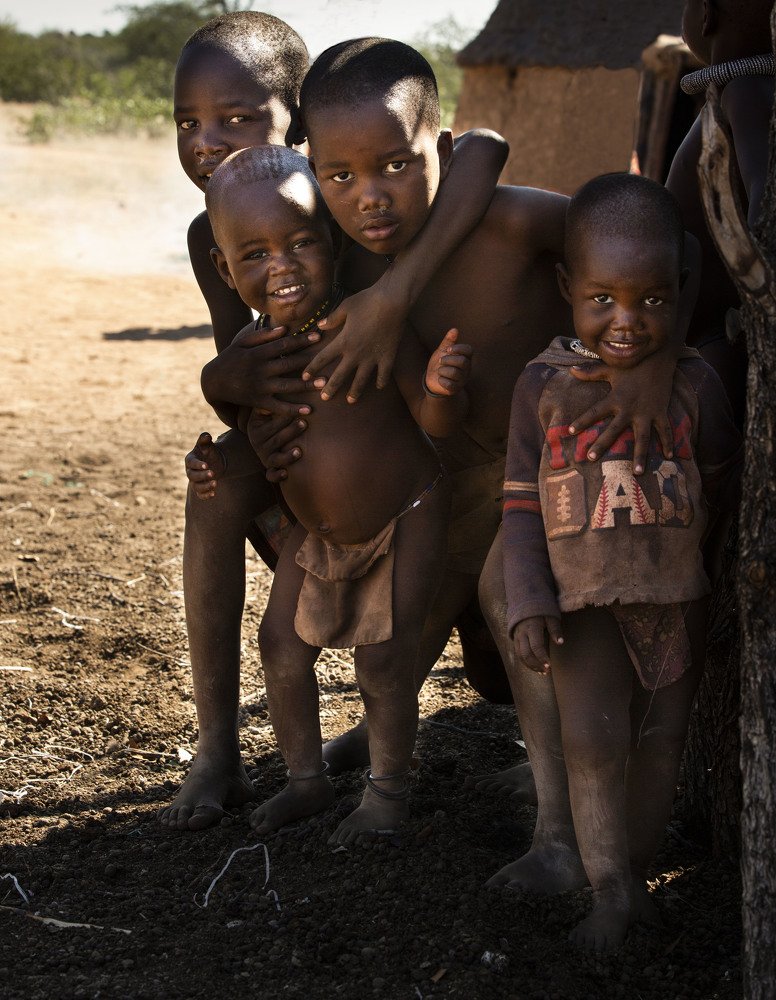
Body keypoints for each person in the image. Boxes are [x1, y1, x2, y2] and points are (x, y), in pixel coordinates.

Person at [268, 37, 694, 778]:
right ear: (314, 171)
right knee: (409, 629)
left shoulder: (510, 223)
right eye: (340, 175)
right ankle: (389, 737)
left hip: (562, 466)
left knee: (516, 609)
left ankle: (554, 811)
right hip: (450, 477)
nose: (370, 194)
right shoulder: (339, 257)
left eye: (396, 166)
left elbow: (660, 249)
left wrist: (655, 364)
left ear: (440, 148)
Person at [158, 12, 508, 831]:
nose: (208, 142)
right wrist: (221, 386)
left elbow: (484, 147)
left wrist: (393, 293)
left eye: (238, 117)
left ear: (302, 126)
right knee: (212, 493)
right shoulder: (219, 228)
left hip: (429, 450)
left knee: (479, 660)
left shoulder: (352, 205)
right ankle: (218, 748)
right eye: (188, 123)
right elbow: (256, 378)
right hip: (315, 458)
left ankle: (388, 748)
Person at [496, 173, 742, 952]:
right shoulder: (542, 387)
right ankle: (608, 892)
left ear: (681, 287)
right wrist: (527, 597)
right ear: (569, 287)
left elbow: (721, 479)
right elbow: (520, 504)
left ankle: (633, 877)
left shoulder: (698, 384)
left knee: (664, 739)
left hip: (675, 600)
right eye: (602, 300)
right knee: (594, 742)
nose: (627, 322)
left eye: (653, 301)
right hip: (581, 606)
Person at [203, 143, 472, 844]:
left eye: (299, 243)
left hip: (406, 511)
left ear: (333, 242)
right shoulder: (254, 355)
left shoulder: (365, 321)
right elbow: (249, 441)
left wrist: (442, 389)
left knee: (384, 659)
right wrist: (213, 465)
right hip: (316, 534)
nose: (283, 267)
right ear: (225, 271)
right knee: (280, 645)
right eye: (255, 255)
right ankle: (306, 779)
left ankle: (388, 793)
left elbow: (432, 420)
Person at [666, 0, 774, 426]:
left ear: (707, 14)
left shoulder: (745, 90)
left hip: (719, 333)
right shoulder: (737, 90)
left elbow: (764, 191)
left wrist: (755, 302)